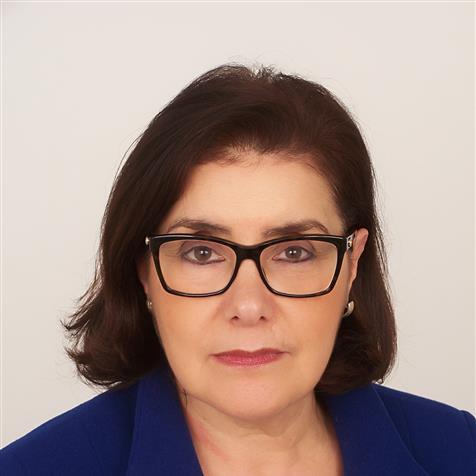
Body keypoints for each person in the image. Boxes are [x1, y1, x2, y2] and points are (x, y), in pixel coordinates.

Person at [1, 63, 475, 476]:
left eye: (294, 252)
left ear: (352, 264)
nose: (249, 307)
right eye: (201, 253)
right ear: (144, 273)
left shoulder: (461, 450)